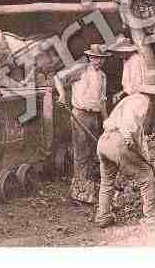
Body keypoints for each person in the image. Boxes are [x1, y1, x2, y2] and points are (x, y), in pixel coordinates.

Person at [95, 70, 155, 228]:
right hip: (118, 141)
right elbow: (128, 125)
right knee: (146, 175)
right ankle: (152, 214)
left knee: (107, 182)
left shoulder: (130, 99)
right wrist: (128, 140)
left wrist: (142, 154)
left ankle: (103, 217)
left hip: (103, 141)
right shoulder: (142, 102)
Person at [54, 44, 111, 204]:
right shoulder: (80, 69)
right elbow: (58, 77)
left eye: (100, 59)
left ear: (103, 60)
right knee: (81, 153)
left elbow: (103, 100)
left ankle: (89, 191)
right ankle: (78, 193)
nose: (97, 61)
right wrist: (62, 94)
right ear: (89, 57)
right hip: (80, 114)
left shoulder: (103, 76)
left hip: (94, 117)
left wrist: (106, 119)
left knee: (94, 153)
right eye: (94, 58)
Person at [108, 36, 147, 102]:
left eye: (120, 52)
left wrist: (122, 93)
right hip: (132, 94)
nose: (118, 54)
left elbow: (136, 83)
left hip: (139, 95)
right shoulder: (126, 60)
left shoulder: (136, 60)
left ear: (126, 50)